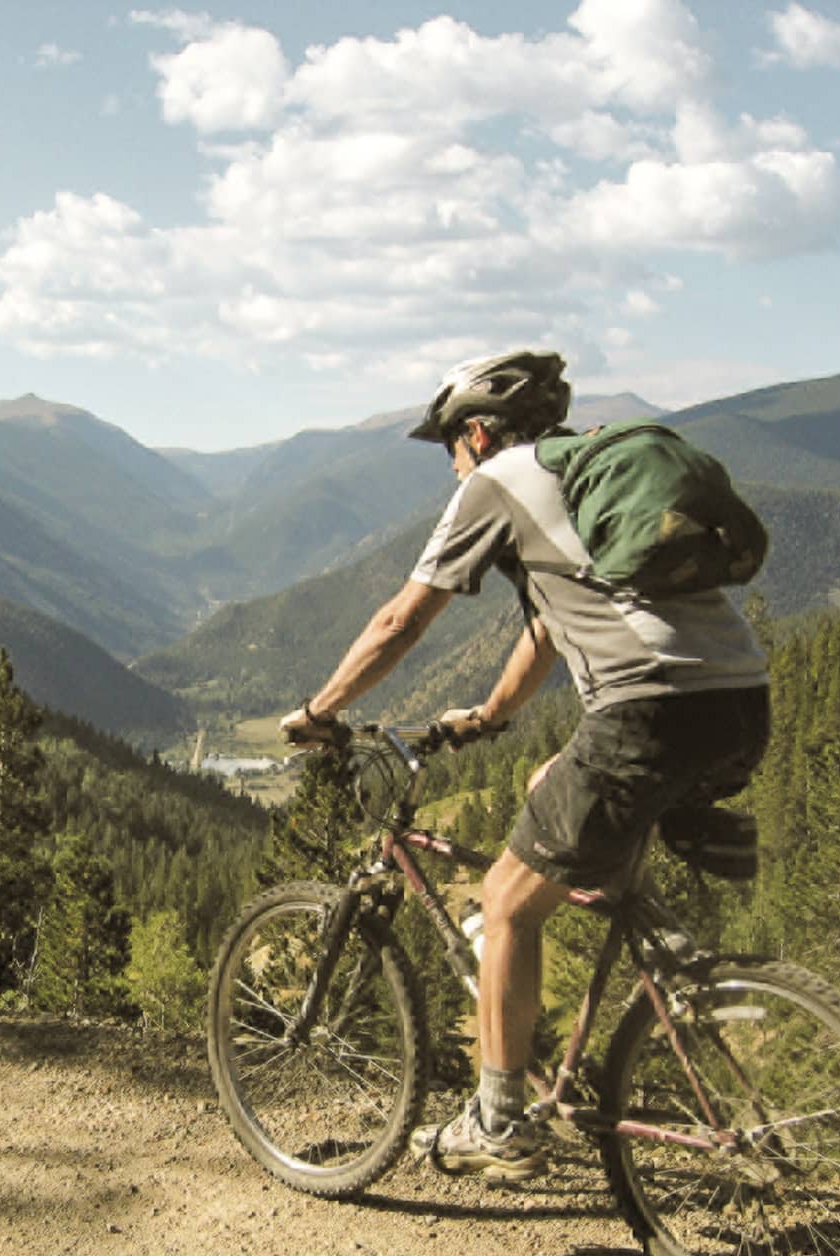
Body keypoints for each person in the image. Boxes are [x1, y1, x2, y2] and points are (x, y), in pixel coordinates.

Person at [280, 350, 770, 1180]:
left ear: (475, 432)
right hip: (740, 704)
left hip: (646, 709)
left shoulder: (498, 481)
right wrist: (491, 716)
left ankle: (500, 1121)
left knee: (506, 902)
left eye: (450, 449)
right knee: (550, 784)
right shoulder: (583, 488)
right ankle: (662, 945)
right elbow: (550, 622)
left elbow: (403, 619)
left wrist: (322, 710)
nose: (453, 466)